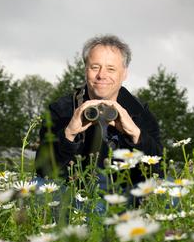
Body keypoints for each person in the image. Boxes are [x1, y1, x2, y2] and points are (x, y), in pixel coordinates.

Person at [35, 35, 162, 186]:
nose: (102, 75)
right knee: (37, 185)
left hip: (125, 195)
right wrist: (69, 134)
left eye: (111, 69)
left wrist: (136, 134)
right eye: (95, 67)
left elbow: (158, 170)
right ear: (85, 70)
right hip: (74, 194)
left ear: (124, 74)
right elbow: (43, 171)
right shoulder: (62, 110)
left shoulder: (139, 112)